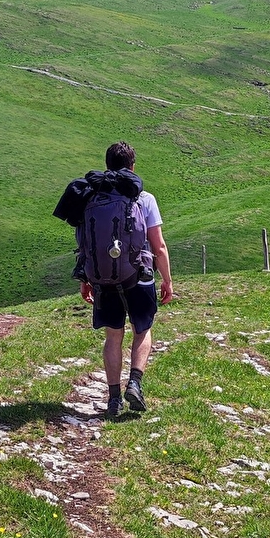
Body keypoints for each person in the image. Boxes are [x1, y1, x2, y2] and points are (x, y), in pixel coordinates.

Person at [79, 142, 174, 417]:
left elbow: (86, 243)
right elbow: (158, 246)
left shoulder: (92, 199)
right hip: (139, 276)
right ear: (133, 167)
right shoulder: (144, 199)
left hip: (103, 279)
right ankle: (134, 382)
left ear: (107, 166)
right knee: (142, 330)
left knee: (113, 336)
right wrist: (167, 280)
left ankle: (112, 399)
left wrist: (85, 278)